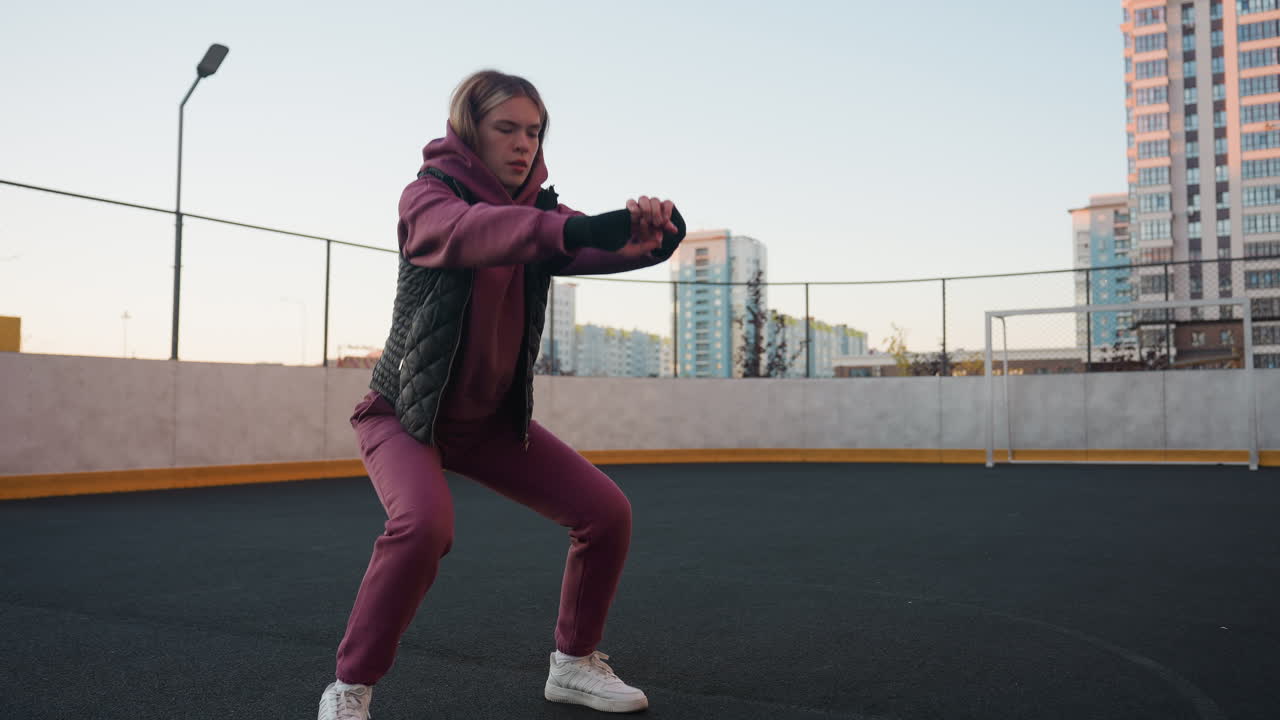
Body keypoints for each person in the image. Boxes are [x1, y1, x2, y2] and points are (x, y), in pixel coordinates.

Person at [316, 69, 686, 720]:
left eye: (534, 131)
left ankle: (573, 665)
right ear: (471, 132)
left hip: (487, 424)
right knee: (423, 525)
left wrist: (658, 236)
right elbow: (474, 234)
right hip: (404, 412)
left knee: (607, 513)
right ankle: (349, 687)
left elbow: (596, 245)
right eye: (506, 129)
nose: (522, 144)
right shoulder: (427, 199)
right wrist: (573, 231)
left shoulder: (540, 215)